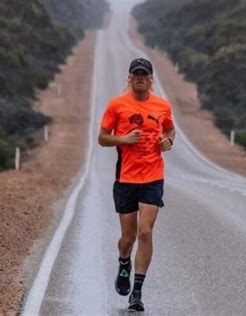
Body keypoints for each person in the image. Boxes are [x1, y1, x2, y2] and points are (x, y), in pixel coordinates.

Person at [98, 58, 175, 311]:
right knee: (128, 238)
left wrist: (167, 141)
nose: (140, 78)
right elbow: (102, 138)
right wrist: (124, 138)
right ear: (129, 78)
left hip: (153, 177)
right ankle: (123, 262)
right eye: (136, 74)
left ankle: (137, 292)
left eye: (144, 74)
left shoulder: (162, 105)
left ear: (151, 79)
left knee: (145, 233)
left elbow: (170, 130)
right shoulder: (117, 105)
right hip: (126, 179)